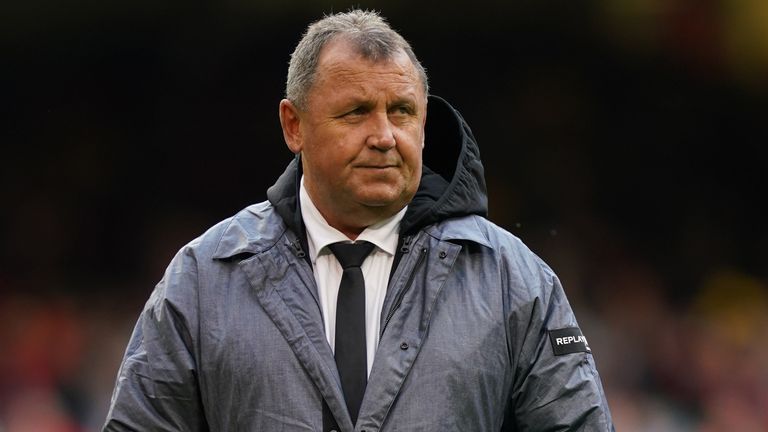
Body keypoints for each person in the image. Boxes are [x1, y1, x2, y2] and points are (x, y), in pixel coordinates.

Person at [103, 9, 614, 432]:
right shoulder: (204, 279)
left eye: (402, 112)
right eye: (356, 112)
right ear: (293, 125)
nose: (385, 136)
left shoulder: (511, 279)